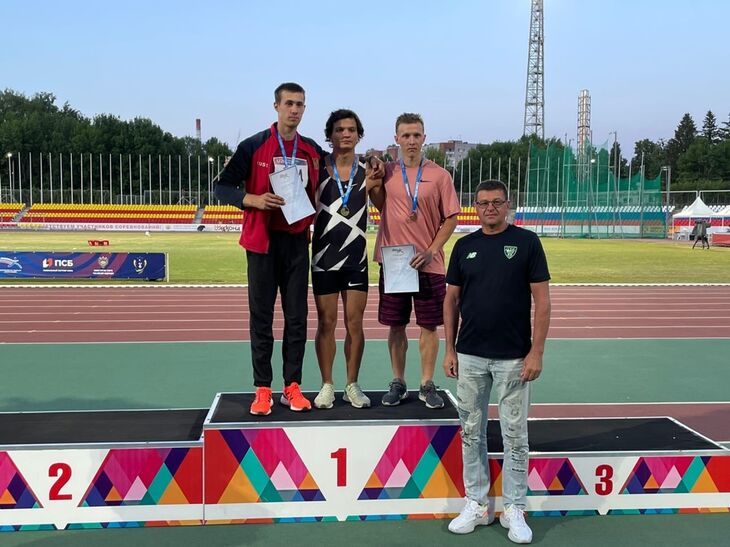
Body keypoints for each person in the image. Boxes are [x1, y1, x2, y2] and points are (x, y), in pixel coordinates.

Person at [443, 180, 551, 544]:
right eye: (483, 203)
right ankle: (476, 504)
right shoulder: (464, 246)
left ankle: (514, 508)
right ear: (475, 207)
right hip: (470, 356)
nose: (490, 208)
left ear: (508, 205)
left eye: (497, 202)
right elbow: (451, 301)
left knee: (515, 436)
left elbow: (543, 301)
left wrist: (536, 352)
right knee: (471, 433)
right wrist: (449, 349)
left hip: (514, 358)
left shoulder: (527, 243)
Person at [214, 82, 321, 416]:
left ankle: (292, 386)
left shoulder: (312, 150)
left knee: (297, 317)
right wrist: (253, 200)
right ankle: (262, 388)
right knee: (261, 317)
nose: (294, 110)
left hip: (296, 242)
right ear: (276, 106)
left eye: (300, 104)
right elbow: (221, 187)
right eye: (289, 103)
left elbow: (338, 172)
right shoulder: (253, 145)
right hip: (262, 242)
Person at [369, 113, 460, 409]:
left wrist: (432, 250)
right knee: (396, 325)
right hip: (395, 262)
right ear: (396, 138)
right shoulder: (387, 172)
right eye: (405, 135)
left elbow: (451, 218)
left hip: (428, 262)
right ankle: (398, 381)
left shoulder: (440, 175)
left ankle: (426, 383)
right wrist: (372, 170)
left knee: (429, 326)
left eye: (416, 135)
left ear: (424, 138)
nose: (411, 140)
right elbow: (380, 204)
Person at [311, 109, 374, 409]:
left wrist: (378, 174)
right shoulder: (318, 168)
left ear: (359, 135)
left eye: (351, 129)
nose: (345, 134)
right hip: (323, 257)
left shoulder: (369, 170)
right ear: (330, 135)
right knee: (326, 322)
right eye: (339, 129)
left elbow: (384, 205)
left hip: (355, 258)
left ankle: (352, 384)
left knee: (355, 324)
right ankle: (327, 385)